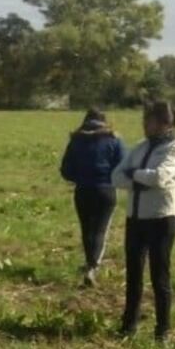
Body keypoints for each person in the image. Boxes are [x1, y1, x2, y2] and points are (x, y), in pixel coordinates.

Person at [111, 101, 175, 343]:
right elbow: (115, 176)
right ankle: (128, 325)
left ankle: (162, 331)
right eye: (144, 119)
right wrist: (139, 180)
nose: (144, 124)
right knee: (133, 275)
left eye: (150, 120)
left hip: (161, 219)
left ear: (165, 123)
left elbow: (160, 176)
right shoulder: (140, 147)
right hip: (135, 218)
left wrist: (132, 175)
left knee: (159, 276)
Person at [60, 109, 126, 287]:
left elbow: (66, 170)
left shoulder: (76, 140)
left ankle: (89, 262)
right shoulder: (114, 139)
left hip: (82, 190)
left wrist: (79, 178)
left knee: (87, 229)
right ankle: (92, 267)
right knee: (100, 230)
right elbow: (123, 166)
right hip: (106, 190)